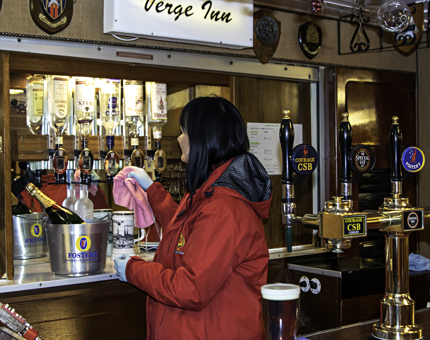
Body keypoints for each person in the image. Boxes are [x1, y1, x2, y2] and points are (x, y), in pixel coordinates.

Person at [114, 96, 273, 340]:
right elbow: (186, 232)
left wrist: (133, 270)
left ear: (203, 139)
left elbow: (190, 289)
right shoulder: (210, 192)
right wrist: (152, 189)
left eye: (184, 131)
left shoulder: (225, 208)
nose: (179, 139)